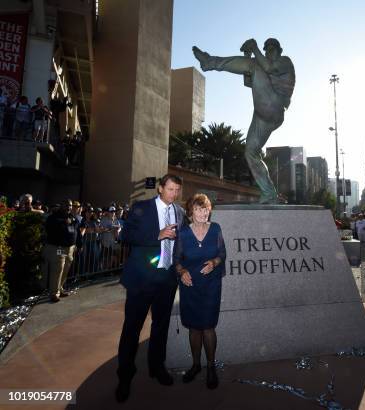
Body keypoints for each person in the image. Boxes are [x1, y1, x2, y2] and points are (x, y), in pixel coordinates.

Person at [193, 38, 295, 203]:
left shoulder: (285, 61)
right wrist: (248, 54)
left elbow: (268, 67)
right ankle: (269, 193)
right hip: (262, 115)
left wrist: (253, 49)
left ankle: (210, 62)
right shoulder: (263, 65)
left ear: (279, 50)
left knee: (255, 64)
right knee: (250, 152)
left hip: (274, 105)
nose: (269, 52)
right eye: (266, 49)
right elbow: (248, 81)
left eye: (272, 49)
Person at [115, 174, 186, 403]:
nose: (174, 194)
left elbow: (181, 246)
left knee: (161, 327)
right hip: (140, 280)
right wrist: (157, 235)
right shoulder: (141, 208)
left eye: (177, 190)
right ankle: (124, 377)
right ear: (160, 188)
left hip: (166, 281)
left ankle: (157, 367)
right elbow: (125, 235)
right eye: (170, 189)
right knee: (131, 330)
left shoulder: (180, 212)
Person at [174, 193, 225, 388]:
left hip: (211, 286)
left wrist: (214, 262)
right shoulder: (184, 233)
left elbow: (222, 254)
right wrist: (182, 271)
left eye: (205, 209)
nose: (203, 213)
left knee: (209, 327)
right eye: (198, 209)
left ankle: (211, 367)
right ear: (190, 212)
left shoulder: (216, 229)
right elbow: (177, 260)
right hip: (190, 286)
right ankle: (196, 365)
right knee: (194, 327)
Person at [43, 199, 78, 302]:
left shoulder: (71, 216)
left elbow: (75, 227)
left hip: (70, 248)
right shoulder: (54, 217)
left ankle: (60, 288)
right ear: (61, 206)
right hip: (59, 248)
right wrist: (64, 223)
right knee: (58, 269)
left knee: (66, 269)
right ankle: (54, 293)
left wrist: (76, 244)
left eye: (70, 205)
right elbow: (51, 228)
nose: (69, 207)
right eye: (67, 205)